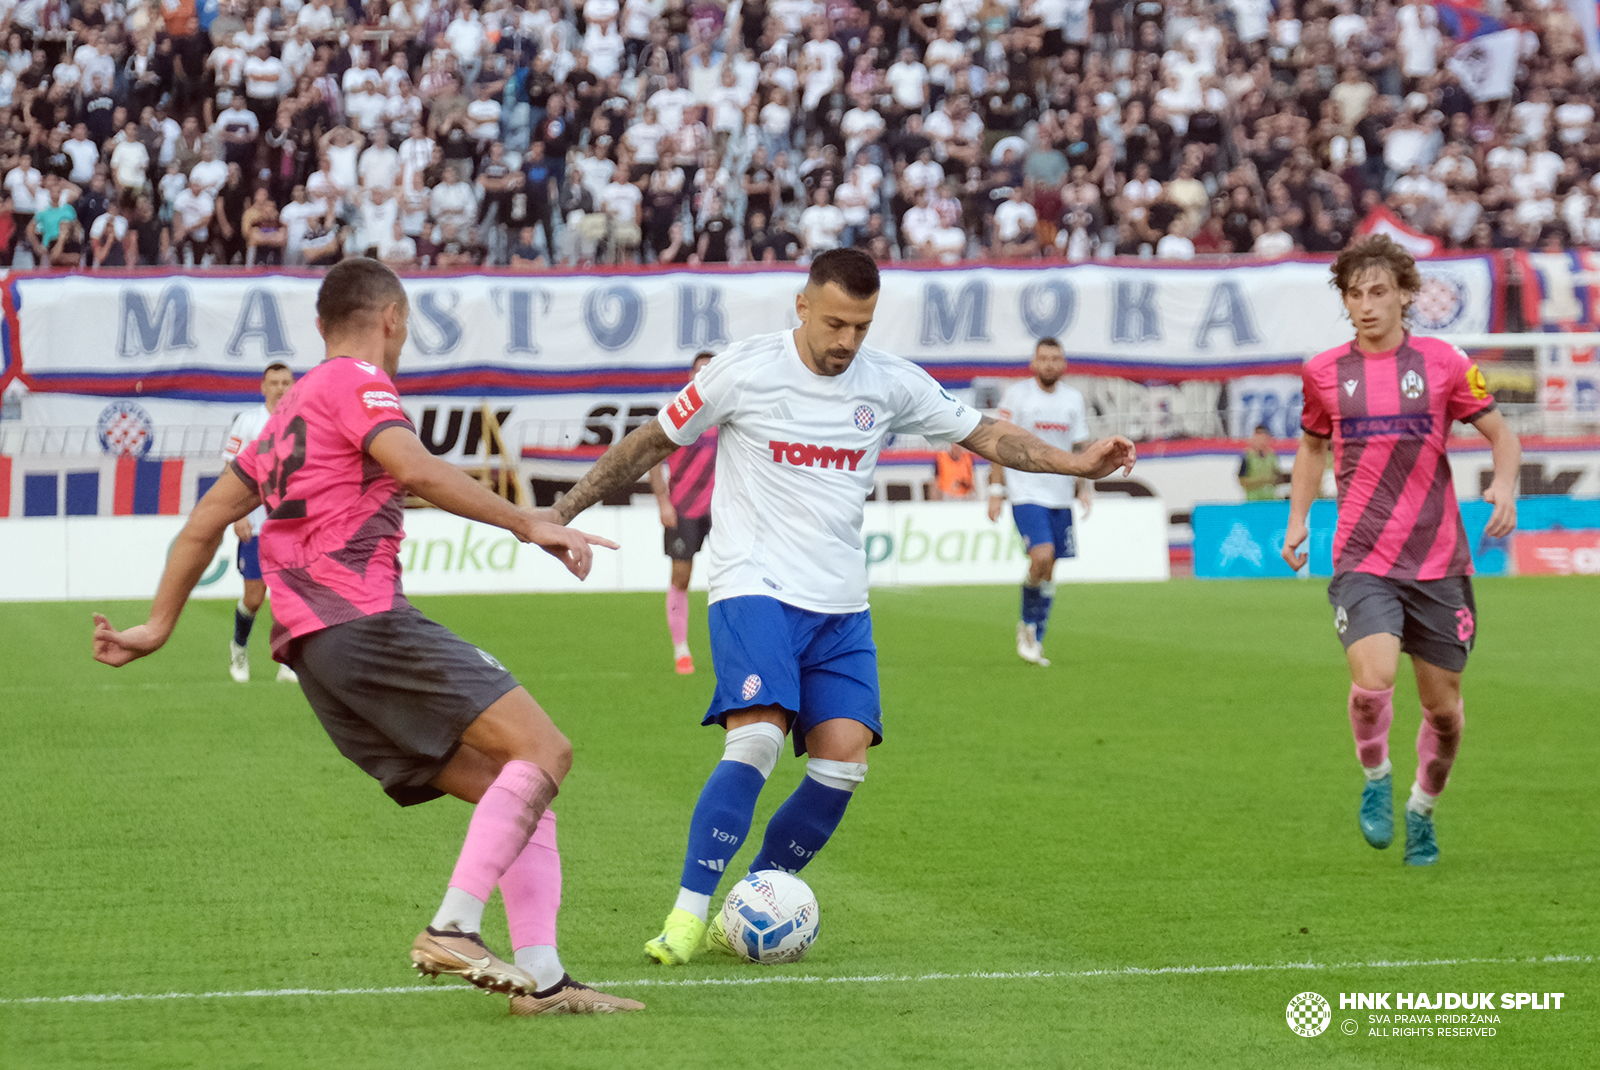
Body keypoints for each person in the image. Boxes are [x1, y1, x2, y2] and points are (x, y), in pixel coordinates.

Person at [544, 249, 1136, 964]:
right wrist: (564, 510)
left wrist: (1077, 463)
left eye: (860, 326)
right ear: (802, 306)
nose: (846, 341)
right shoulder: (741, 369)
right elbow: (648, 443)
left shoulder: (888, 383)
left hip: (840, 606)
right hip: (751, 585)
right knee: (758, 739)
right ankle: (687, 915)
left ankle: (760, 896)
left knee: (843, 762)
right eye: (834, 323)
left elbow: (986, 433)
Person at [92, 258, 642, 1016]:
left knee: (518, 795)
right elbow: (413, 467)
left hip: (316, 654)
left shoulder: (287, 415)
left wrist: (158, 625)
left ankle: (542, 984)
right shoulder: (358, 382)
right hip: (362, 621)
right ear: (392, 321)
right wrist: (527, 520)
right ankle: (454, 926)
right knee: (547, 750)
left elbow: (203, 522)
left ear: (320, 326)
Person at [1281, 235, 1521, 867]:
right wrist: (1298, 519)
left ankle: (1421, 808)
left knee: (1444, 716)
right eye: (1354, 294)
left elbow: (1501, 433)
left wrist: (1504, 485)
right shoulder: (1324, 372)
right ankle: (1377, 777)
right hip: (1363, 555)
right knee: (1373, 681)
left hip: (1440, 560)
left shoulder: (1443, 363)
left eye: (1379, 292)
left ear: (1406, 296)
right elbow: (1311, 446)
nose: (1366, 305)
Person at [986, 338, 1093, 668]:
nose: (1049, 364)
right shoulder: (1018, 395)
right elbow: (998, 441)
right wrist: (995, 490)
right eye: (1043, 358)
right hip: (1026, 492)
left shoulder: (1073, 399)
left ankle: (1036, 635)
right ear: (1033, 362)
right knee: (1042, 555)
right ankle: (1026, 627)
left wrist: (1084, 488)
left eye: (1055, 358)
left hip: (1060, 495)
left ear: (1064, 364)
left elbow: (1079, 447)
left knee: (1050, 567)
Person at [222, 362, 298, 683]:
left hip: (293, 525)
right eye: (274, 382)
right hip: (255, 524)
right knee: (254, 599)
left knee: (290, 596)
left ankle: (287, 662)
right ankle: (238, 648)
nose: (280, 388)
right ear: (263, 387)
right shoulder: (248, 422)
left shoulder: (302, 420)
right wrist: (237, 514)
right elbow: (230, 472)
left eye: (286, 382)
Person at [648, 350, 717, 675]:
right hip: (684, 509)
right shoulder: (677, 415)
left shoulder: (728, 413)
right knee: (681, 577)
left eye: (710, 370)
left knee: (738, 577)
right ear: (690, 376)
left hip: (724, 510)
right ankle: (681, 649)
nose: (703, 375)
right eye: (699, 370)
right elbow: (651, 460)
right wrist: (663, 502)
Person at [1238, 424, 1285, 501]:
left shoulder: (1272, 456)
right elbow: (1242, 481)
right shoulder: (1248, 457)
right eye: (1259, 439)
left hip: (1271, 499)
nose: (1261, 442)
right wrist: (1262, 480)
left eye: (1264, 439)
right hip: (1253, 499)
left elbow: (1277, 475)